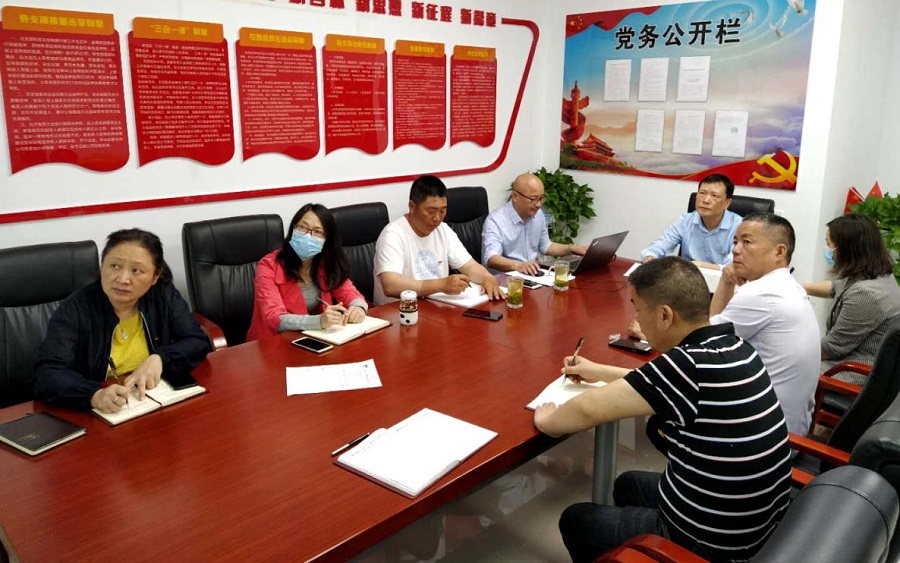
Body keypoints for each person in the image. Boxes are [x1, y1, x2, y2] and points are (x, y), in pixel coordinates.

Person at [535, 257, 791, 562]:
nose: (636, 319)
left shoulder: (685, 364)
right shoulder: (733, 346)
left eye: (638, 309)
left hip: (712, 544)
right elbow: (658, 384)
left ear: (665, 315)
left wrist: (547, 419)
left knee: (577, 520)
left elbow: (587, 409)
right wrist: (599, 371)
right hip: (756, 525)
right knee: (627, 483)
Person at [33, 229, 212, 412]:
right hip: (103, 410)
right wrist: (93, 394)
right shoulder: (76, 308)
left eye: (136, 270)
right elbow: (47, 373)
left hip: (152, 402)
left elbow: (197, 341)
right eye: (114, 266)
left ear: (155, 277)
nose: (123, 279)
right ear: (101, 267)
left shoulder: (162, 295)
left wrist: (160, 359)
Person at [707, 212, 820, 435]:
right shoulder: (788, 285)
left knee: (665, 418)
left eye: (747, 242)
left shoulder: (761, 294)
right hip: (788, 425)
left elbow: (705, 342)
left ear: (779, 252)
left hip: (764, 435)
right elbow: (713, 333)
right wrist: (726, 280)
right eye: (735, 241)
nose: (735, 250)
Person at [373, 175, 504, 305]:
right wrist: (441, 285)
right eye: (431, 211)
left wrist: (486, 277)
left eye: (442, 211)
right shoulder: (393, 235)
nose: (437, 218)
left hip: (435, 307)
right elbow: (390, 285)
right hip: (399, 311)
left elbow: (469, 266)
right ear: (412, 206)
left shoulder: (443, 230)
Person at [247, 203, 368, 341]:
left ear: (327, 239)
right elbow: (274, 318)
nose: (308, 236)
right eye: (302, 227)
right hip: (272, 342)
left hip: (314, 339)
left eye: (317, 232)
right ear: (293, 229)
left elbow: (349, 292)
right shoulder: (268, 265)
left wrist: (358, 307)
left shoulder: (325, 262)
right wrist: (319, 321)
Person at [803, 213, 900, 384]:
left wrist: (789, 352)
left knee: (783, 369)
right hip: (847, 357)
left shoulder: (866, 294)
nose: (827, 250)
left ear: (848, 248)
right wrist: (800, 287)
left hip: (852, 369)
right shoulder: (877, 275)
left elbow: (831, 348)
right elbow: (837, 288)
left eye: (829, 244)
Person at [481, 172, 587, 275]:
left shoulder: (538, 214)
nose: (538, 204)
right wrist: (519, 266)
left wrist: (572, 248)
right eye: (533, 199)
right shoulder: (495, 221)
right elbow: (491, 258)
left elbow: (546, 246)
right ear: (515, 196)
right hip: (508, 279)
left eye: (541, 198)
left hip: (533, 276)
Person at [640, 173, 741, 269]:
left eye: (714, 196)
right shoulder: (685, 221)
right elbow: (655, 248)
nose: (706, 200)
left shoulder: (740, 226)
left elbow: (735, 265)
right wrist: (650, 258)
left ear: (727, 203)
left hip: (723, 279)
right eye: (702, 193)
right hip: (688, 278)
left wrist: (700, 266)